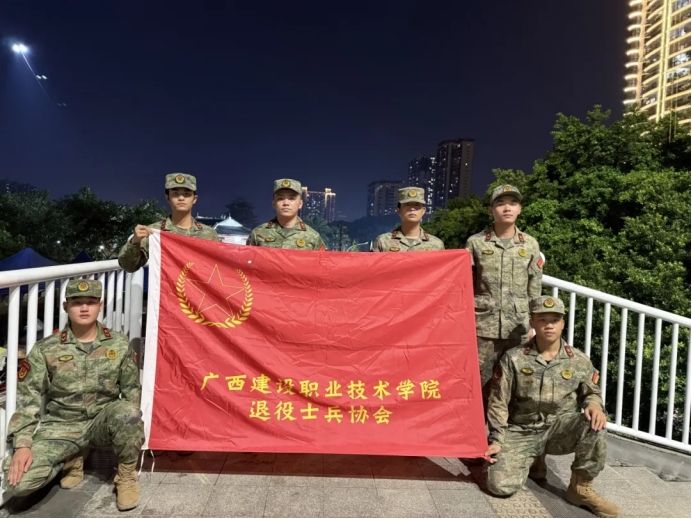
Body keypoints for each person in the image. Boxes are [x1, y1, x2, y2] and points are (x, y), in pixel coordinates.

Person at [2, 279, 144, 512]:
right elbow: (29, 398)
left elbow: (131, 391)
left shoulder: (118, 344)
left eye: (91, 302)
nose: (84, 308)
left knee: (128, 413)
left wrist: (130, 431)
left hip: (101, 422)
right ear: (65, 306)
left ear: (100, 305)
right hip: (61, 426)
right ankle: (71, 457)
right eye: (77, 302)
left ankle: (126, 476)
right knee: (18, 483)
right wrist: (23, 445)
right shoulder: (46, 348)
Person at [484, 296, 618, 518]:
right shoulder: (514, 358)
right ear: (532, 322)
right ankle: (534, 460)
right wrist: (496, 439)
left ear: (563, 323)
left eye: (554, 320)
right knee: (499, 486)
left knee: (594, 424)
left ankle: (580, 488)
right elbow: (498, 401)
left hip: (559, 429)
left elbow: (592, 392)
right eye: (542, 320)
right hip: (522, 430)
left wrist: (594, 405)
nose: (549, 325)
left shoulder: (579, 360)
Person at [465, 184, 542, 388]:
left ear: (520, 209)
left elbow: (534, 287)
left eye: (513, 203)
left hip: (518, 327)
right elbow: (465, 284)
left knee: (518, 383)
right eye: (500, 203)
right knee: (478, 382)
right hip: (483, 327)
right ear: (491, 210)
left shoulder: (530, 244)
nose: (507, 208)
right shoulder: (476, 243)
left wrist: (535, 324)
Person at [118, 172, 219, 272]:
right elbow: (128, 266)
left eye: (187, 194)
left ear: (194, 199)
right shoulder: (153, 232)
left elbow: (219, 267)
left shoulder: (209, 234)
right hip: (166, 283)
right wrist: (135, 242)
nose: (181, 198)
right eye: (175, 194)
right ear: (167, 198)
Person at [246, 178, 327, 250]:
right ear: (274, 203)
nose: (286, 203)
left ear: (300, 204)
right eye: (280, 198)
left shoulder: (313, 237)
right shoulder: (258, 233)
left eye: (292, 198)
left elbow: (323, 261)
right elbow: (247, 260)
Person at [372, 187, 444, 252]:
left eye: (417, 205)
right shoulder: (383, 242)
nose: (412, 209)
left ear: (423, 211)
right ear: (399, 210)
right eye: (407, 205)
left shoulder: (437, 245)